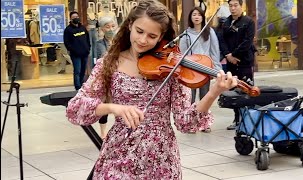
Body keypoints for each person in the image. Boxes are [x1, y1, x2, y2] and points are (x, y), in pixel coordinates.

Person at [66, 0, 237, 179]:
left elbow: (185, 122)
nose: (142, 40)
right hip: (119, 153)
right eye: (139, 31)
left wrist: (213, 92)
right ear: (130, 25)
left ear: (161, 36)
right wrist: (113, 108)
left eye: (151, 36)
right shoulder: (109, 63)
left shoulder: (171, 67)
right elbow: (75, 108)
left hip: (160, 158)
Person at [179, 7, 222, 133]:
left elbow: (214, 51)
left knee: (205, 97)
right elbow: (182, 55)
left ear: (203, 17)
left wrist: (216, 69)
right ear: (190, 18)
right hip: (190, 70)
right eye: (194, 15)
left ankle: (204, 123)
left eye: (199, 14)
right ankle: (191, 124)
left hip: (205, 69)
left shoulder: (209, 32)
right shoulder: (186, 34)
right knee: (190, 98)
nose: (196, 17)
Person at [220, 0, 255, 130]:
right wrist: (228, 55)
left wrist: (234, 55)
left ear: (241, 6)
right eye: (230, 5)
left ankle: (248, 119)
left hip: (244, 61)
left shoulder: (248, 22)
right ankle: (237, 119)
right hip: (230, 62)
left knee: (247, 89)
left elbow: (248, 41)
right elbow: (221, 40)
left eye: (235, 5)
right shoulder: (226, 23)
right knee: (233, 90)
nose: (233, 8)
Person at [95, 16, 117, 139]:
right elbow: (104, 57)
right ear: (102, 29)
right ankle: (103, 132)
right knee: (105, 103)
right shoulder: (99, 44)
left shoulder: (121, 41)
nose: (110, 29)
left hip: (120, 75)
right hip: (107, 77)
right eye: (107, 27)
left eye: (112, 26)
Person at [63, 11, 91, 90]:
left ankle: (82, 84)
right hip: (76, 55)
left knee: (83, 70)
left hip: (84, 53)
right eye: (74, 18)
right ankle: (77, 86)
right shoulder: (68, 30)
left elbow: (87, 39)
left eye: (77, 17)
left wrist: (88, 48)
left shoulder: (82, 28)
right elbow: (67, 42)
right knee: (77, 71)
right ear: (70, 19)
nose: (76, 19)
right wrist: (73, 50)